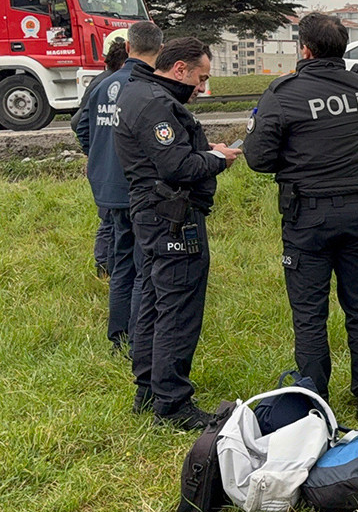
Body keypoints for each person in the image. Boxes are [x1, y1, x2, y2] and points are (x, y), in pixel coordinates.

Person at [243, 13, 358, 420]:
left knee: (309, 312)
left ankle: (313, 396)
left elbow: (258, 157)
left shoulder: (284, 93)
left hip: (308, 218)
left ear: (304, 49)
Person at [114, 37, 238, 430]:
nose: (202, 88)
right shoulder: (155, 103)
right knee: (177, 309)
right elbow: (177, 166)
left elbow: (170, 153)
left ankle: (149, 390)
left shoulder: (137, 92)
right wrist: (216, 158)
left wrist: (202, 149)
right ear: (179, 69)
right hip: (171, 216)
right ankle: (173, 403)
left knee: (151, 300)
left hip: (151, 215)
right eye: (200, 78)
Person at [75, 22, 164, 355]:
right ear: (161, 49)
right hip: (138, 188)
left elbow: (81, 126)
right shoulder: (149, 87)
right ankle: (139, 340)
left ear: (127, 48)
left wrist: (99, 155)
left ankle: (118, 337)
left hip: (107, 186)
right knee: (144, 267)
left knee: (122, 261)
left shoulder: (103, 85)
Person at [75, 29, 132, 279]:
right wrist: (95, 151)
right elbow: (79, 123)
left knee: (110, 218)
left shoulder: (102, 81)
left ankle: (108, 268)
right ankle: (106, 268)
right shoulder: (110, 83)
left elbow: (81, 123)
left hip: (105, 166)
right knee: (111, 220)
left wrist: (94, 153)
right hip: (114, 167)